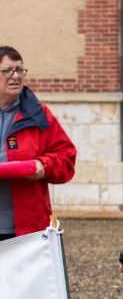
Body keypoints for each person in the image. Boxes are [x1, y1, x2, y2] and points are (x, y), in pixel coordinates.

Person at [0, 45, 76, 240]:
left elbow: (67, 157)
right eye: (7, 70)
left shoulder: (38, 114)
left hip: (25, 230)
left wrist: (44, 165)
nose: (15, 76)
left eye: (19, 70)